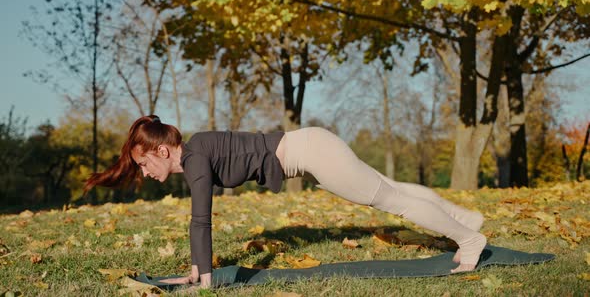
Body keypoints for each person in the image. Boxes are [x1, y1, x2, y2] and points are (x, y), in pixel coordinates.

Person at [84, 115, 486, 289]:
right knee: (389, 187)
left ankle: (468, 240)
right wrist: (195, 271)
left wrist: (202, 279)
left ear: (160, 150)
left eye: (143, 163)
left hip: (312, 152)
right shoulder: (198, 149)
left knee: (389, 199)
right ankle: (463, 216)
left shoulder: (194, 158)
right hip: (310, 147)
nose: (145, 173)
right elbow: (201, 221)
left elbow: (201, 220)